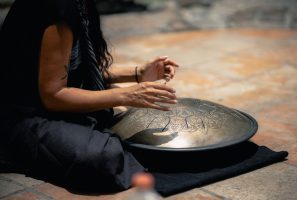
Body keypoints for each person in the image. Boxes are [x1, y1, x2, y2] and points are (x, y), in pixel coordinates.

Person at [0, 0, 178, 192]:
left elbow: (73, 73)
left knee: (116, 121)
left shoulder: (79, 3)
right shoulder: (56, 6)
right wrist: (125, 95)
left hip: (45, 104)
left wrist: (137, 73)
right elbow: (53, 95)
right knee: (105, 157)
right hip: (18, 116)